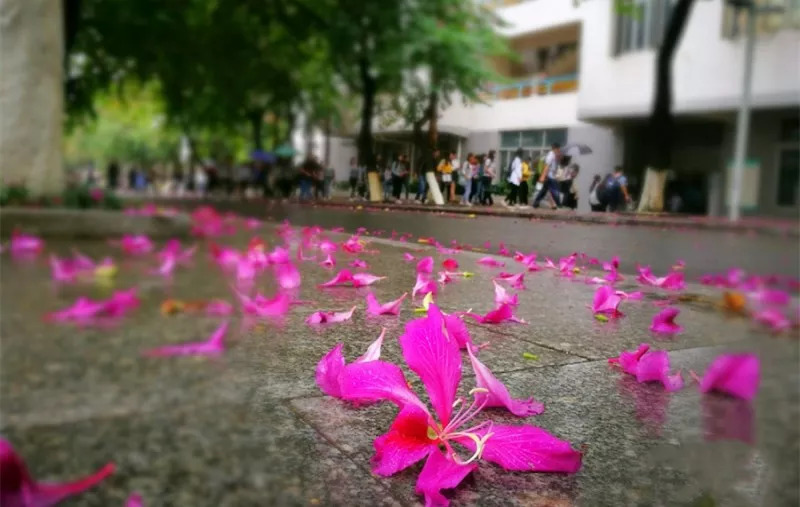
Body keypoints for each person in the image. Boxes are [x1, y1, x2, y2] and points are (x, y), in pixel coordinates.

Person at [532, 142, 562, 209]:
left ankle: (535, 203)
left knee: (544, 190)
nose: (559, 150)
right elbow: (547, 166)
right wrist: (543, 176)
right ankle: (559, 204)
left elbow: (554, 165)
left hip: (550, 176)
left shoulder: (554, 155)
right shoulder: (550, 155)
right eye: (558, 149)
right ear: (555, 148)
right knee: (555, 190)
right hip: (549, 176)